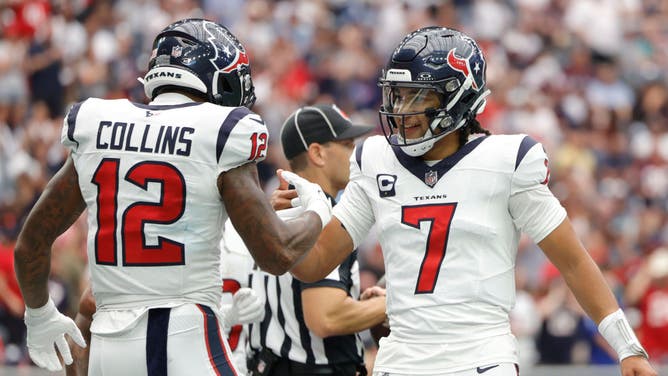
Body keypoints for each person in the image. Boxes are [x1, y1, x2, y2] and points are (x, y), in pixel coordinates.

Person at [280, 26, 657, 376]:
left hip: (479, 360)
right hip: (401, 360)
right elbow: (312, 267)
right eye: (397, 94)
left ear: (459, 98)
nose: (402, 109)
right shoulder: (375, 159)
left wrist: (627, 345)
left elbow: (573, 262)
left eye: (418, 96)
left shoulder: (507, 160)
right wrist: (303, 218)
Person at [14, 18, 332, 375]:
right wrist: (320, 209)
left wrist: (39, 316)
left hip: (106, 345)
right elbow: (278, 253)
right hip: (180, 337)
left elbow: (31, 242)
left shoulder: (98, 123)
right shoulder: (222, 132)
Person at [246, 104, 387, 376]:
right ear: (318, 153)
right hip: (314, 367)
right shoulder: (319, 217)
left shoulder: (277, 211)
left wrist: (361, 302)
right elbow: (325, 317)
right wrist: (394, 303)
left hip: (273, 362)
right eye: (346, 144)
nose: (354, 153)